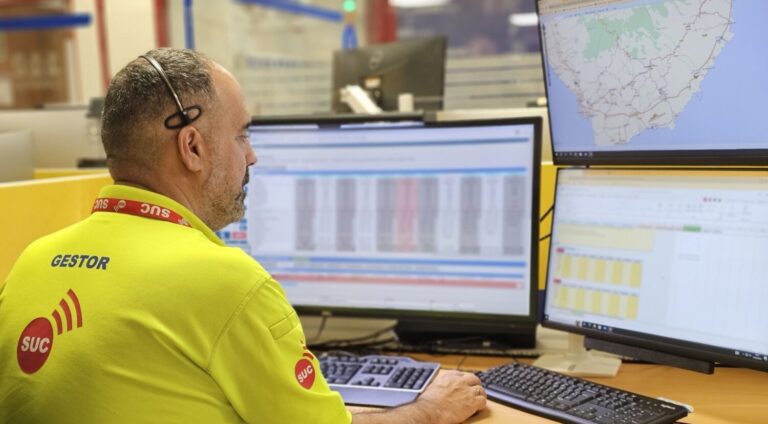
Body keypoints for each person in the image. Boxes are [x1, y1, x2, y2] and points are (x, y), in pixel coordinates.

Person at [0, 48, 486, 423]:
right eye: (241, 135)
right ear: (191, 147)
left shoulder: (32, 261)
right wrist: (429, 409)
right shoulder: (226, 282)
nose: (251, 156)